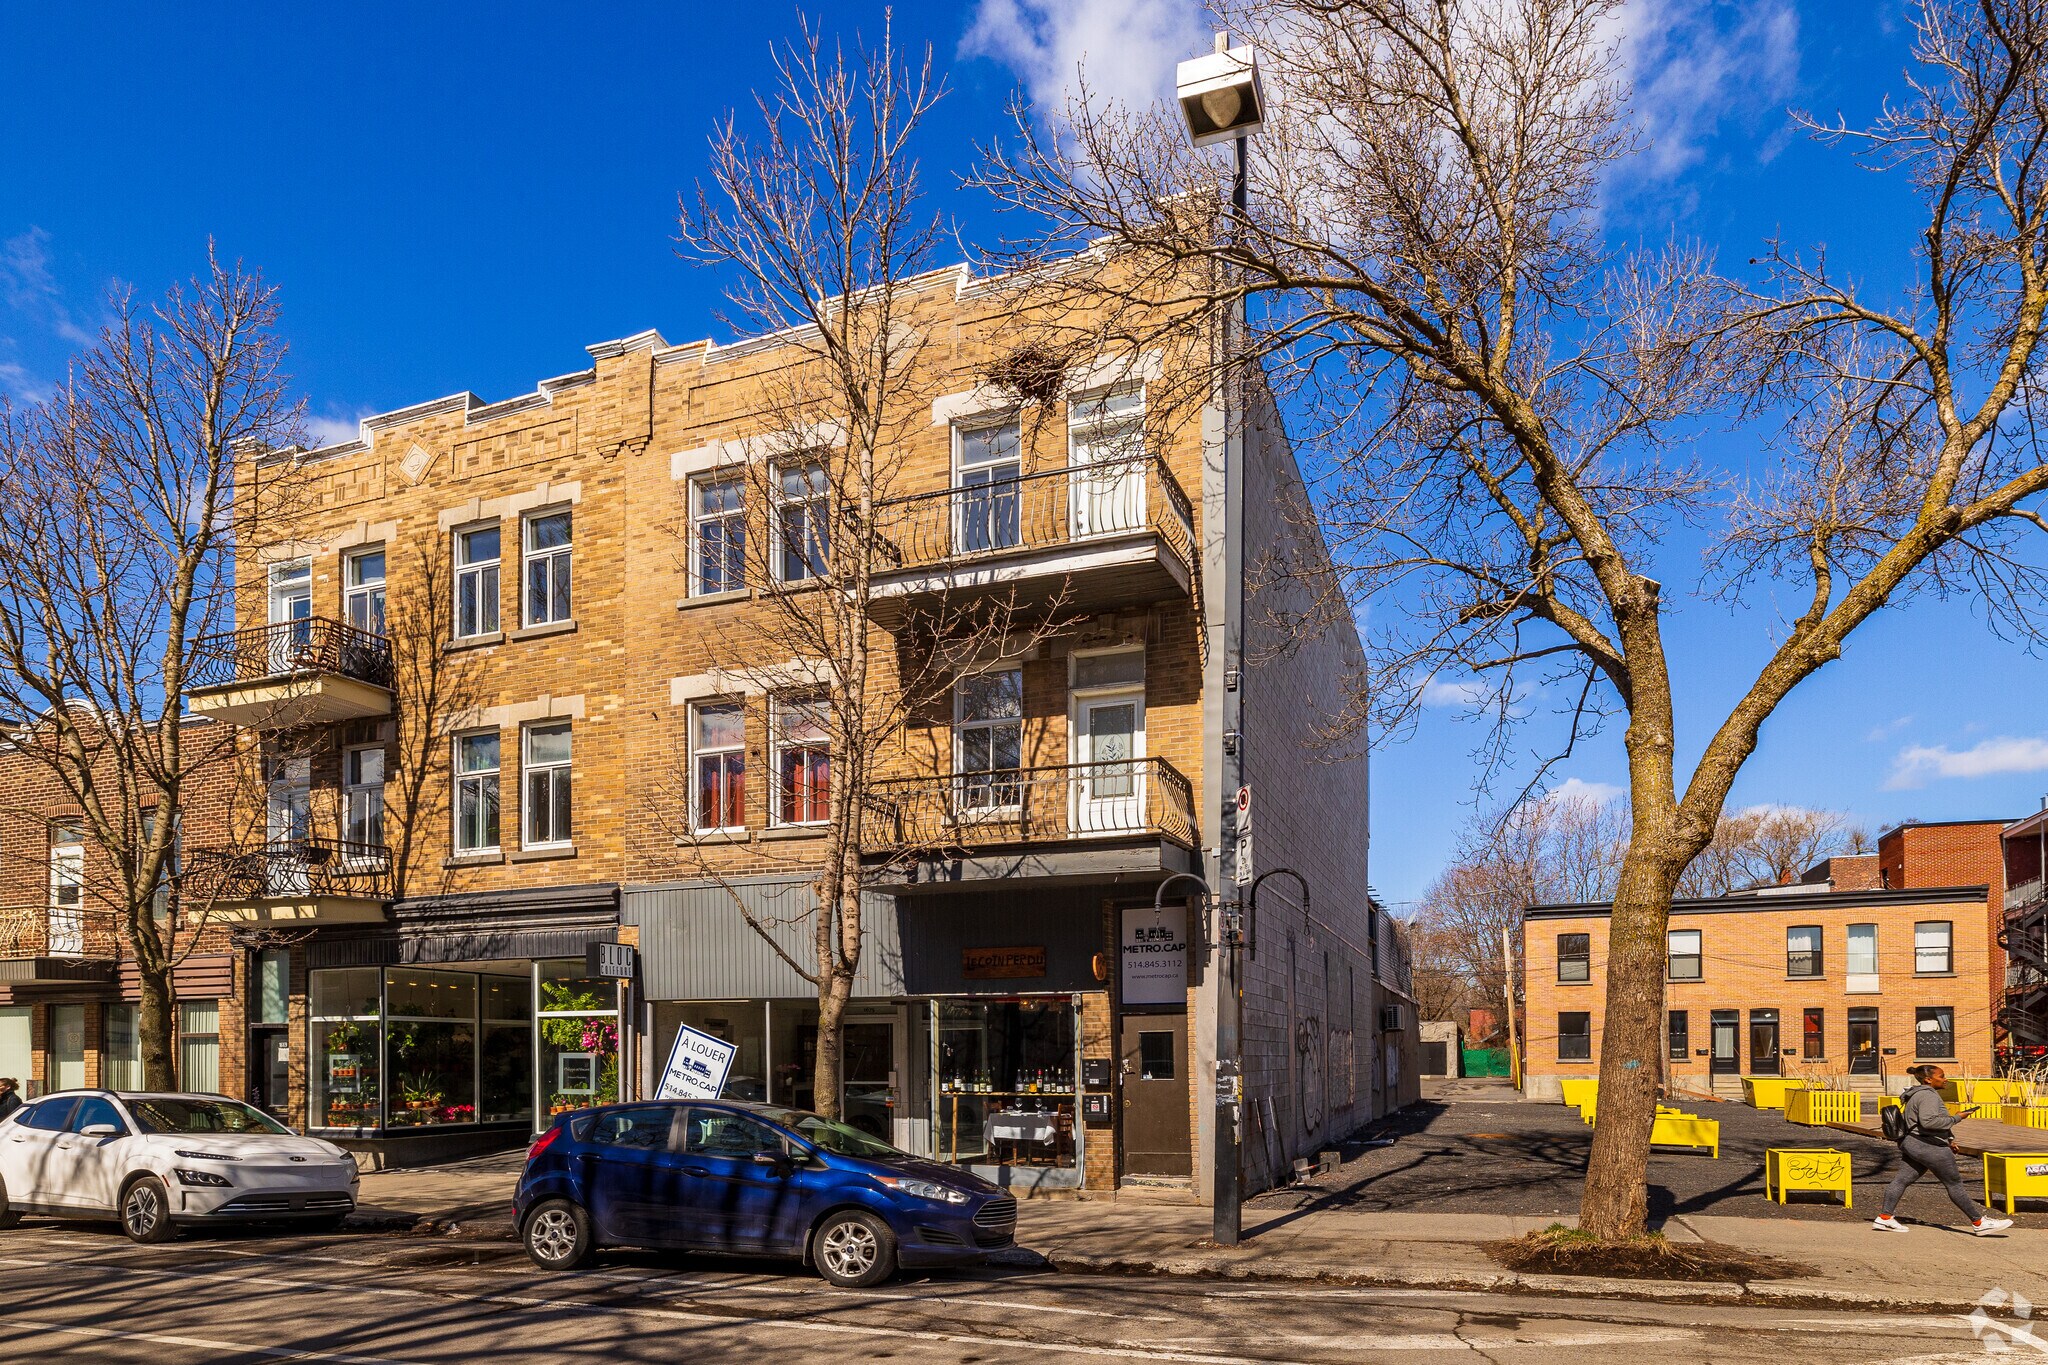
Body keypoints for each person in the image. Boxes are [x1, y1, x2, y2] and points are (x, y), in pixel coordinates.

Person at [1874, 1064, 2013, 1234]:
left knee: (1901, 1180)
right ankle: (1979, 1223)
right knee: (1954, 1184)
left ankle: (1884, 1218)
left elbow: (1924, 1123)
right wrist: (1957, 1118)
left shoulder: (1915, 1094)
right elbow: (1929, 1122)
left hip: (1913, 1143)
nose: (1945, 1079)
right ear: (1928, 1079)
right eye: (1941, 1076)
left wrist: (1949, 1139)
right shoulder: (1928, 1096)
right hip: (1929, 1146)